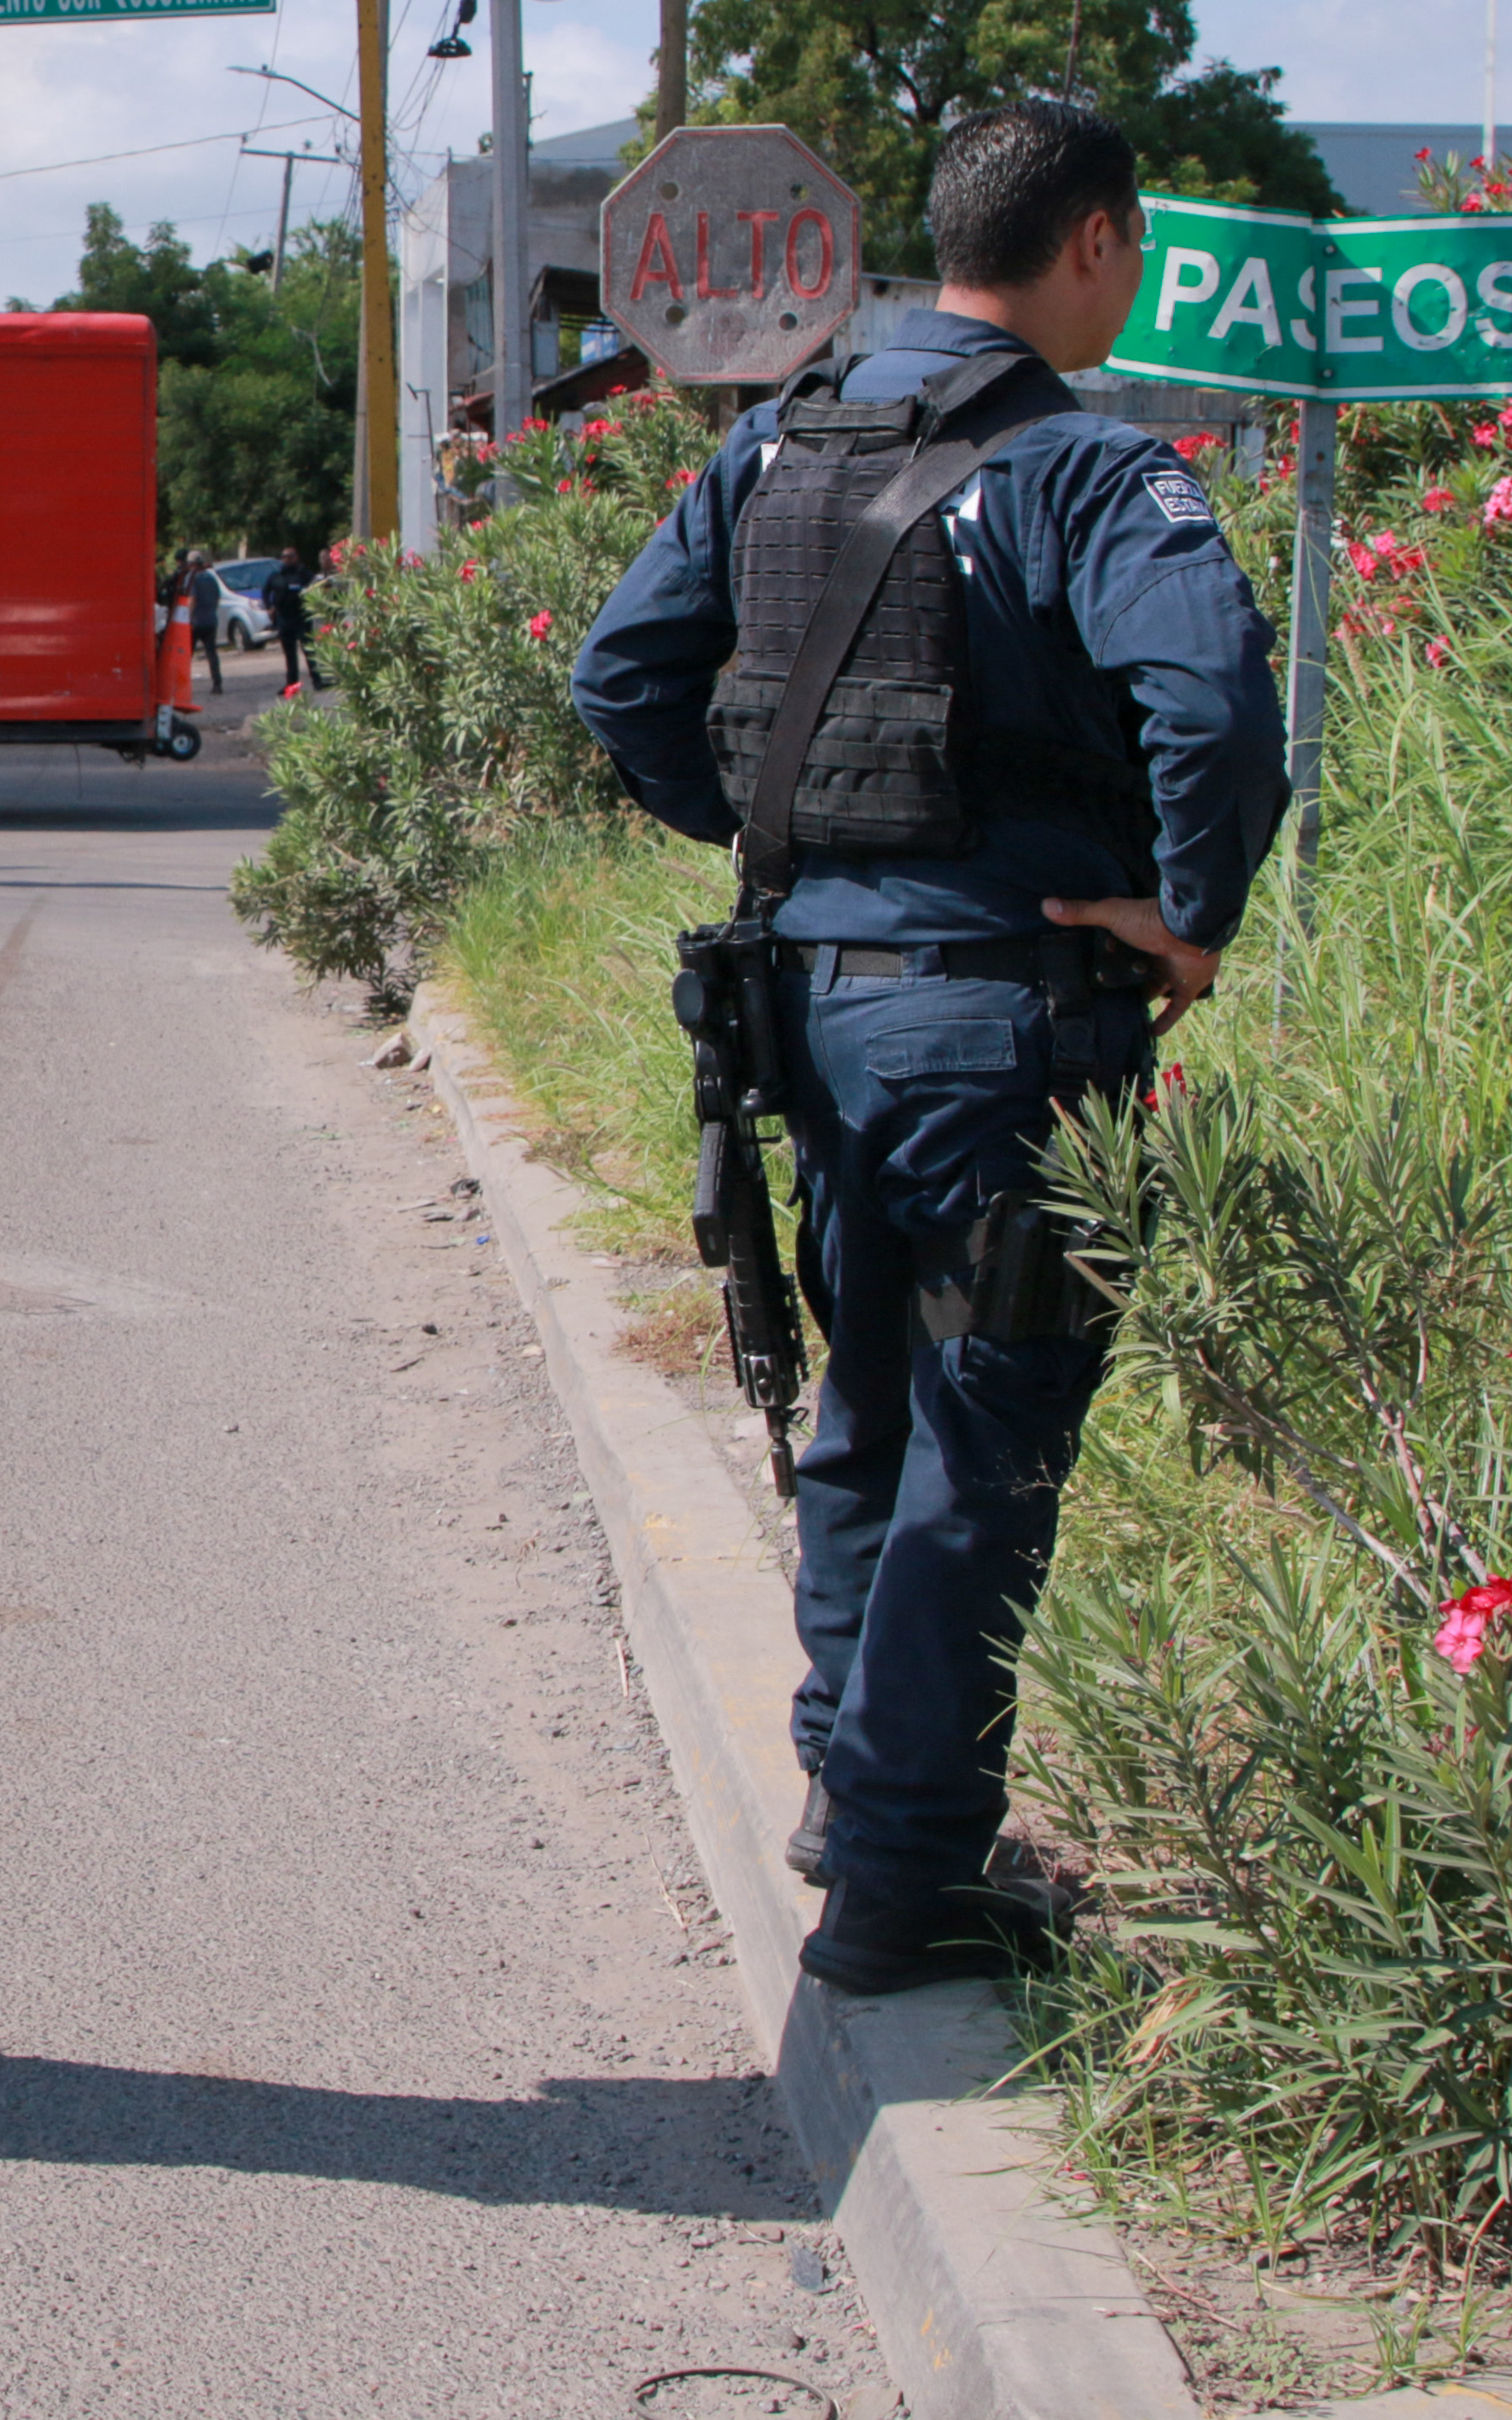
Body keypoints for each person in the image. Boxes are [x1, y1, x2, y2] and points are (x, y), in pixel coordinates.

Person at [566, 97, 1286, 1996]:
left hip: (813, 1008)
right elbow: (1210, 705)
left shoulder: (782, 440)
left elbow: (619, 676)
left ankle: (838, 1782)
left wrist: (780, 850)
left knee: (865, 1394)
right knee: (988, 1442)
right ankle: (898, 1886)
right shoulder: (1085, 470)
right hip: (1003, 1024)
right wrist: (1189, 918)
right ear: (1095, 244)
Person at [264, 544, 315, 691]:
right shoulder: (277, 575)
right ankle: (292, 684)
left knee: (309, 651)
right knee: (289, 655)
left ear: (296, 557)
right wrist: (269, 607)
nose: (287, 559)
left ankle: (317, 680)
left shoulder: (304, 574)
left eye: (290, 556)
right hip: (284, 619)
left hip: (301, 618)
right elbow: (266, 591)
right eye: (284, 557)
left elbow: (316, 586)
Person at [186, 552, 230, 692]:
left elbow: (192, 599)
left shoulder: (192, 578)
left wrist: (187, 618)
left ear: (191, 564)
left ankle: (183, 686)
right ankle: (217, 684)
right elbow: (217, 598)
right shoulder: (211, 578)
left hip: (195, 621)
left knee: (187, 655)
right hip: (210, 620)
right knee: (212, 653)